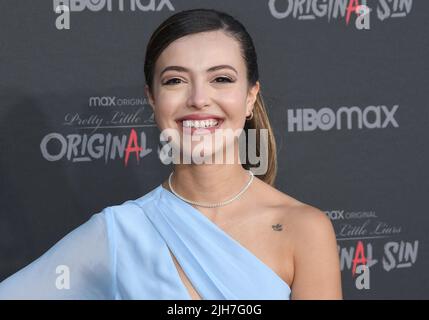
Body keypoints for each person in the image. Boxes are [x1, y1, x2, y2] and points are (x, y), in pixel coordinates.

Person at [0, 8, 342, 300]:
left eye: (221, 79)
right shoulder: (119, 232)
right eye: (175, 81)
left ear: (250, 97)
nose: (198, 99)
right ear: (152, 98)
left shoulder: (304, 228)